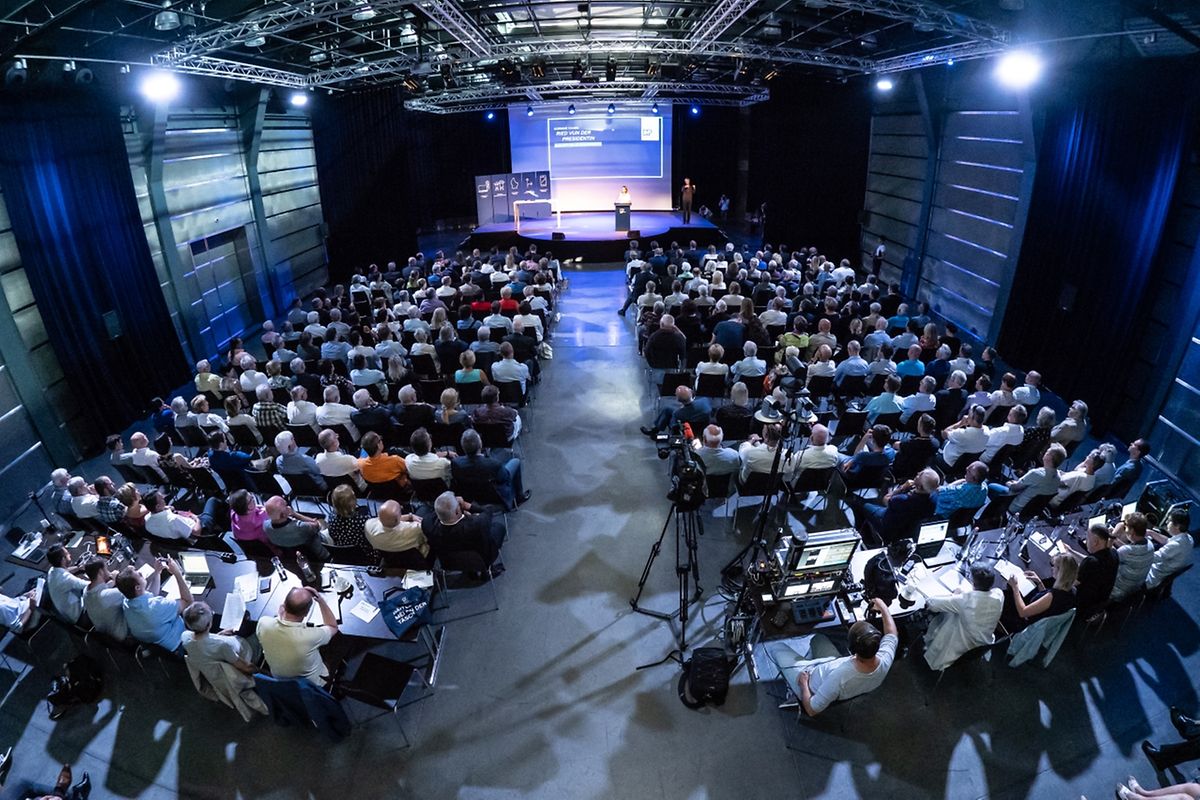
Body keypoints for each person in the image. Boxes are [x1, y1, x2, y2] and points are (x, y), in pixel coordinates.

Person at [764, 598, 897, 717]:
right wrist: (883, 606)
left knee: (776, 648)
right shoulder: (885, 658)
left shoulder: (839, 676)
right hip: (831, 667)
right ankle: (805, 662)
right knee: (818, 638)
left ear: (852, 649)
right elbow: (892, 634)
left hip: (810, 684)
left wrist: (804, 684)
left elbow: (812, 710)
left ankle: (794, 689)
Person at [922, 565, 1005, 671]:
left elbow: (932, 604)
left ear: (973, 582)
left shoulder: (966, 601)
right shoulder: (999, 595)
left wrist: (954, 595)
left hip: (960, 647)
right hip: (982, 644)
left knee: (949, 614)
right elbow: (979, 602)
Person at [257, 586, 337, 687]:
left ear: (284, 605)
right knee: (337, 644)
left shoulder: (263, 622)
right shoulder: (310, 636)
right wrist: (321, 601)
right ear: (306, 613)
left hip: (282, 681)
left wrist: (287, 606)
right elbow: (333, 626)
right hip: (313, 684)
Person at [117, 556, 192, 652]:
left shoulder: (127, 602)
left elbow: (149, 595)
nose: (141, 573)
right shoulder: (156, 606)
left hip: (159, 647)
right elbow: (188, 601)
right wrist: (177, 573)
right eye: (139, 574)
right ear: (137, 588)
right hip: (181, 645)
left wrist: (157, 572)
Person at [422, 491, 505, 574]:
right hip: (482, 559)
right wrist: (467, 505)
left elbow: (434, 514)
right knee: (498, 527)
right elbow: (488, 511)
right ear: (457, 511)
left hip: (450, 563)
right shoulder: (476, 524)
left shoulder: (427, 526)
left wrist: (445, 508)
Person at [854, 468, 940, 544]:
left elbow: (886, 499)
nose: (917, 474)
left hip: (887, 526)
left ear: (920, 486)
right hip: (908, 531)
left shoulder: (902, 500)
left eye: (919, 476)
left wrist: (903, 487)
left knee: (858, 503)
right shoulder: (934, 498)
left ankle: (864, 537)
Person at [451, 429, 530, 510]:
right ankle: (519, 497)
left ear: (463, 447)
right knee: (516, 461)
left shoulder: (455, 463)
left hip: (474, 496)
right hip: (496, 497)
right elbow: (505, 478)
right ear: (480, 444)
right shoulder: (493, 465)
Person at [1002, 552, 1078, 633]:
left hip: (1027, 624)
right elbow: (1046, 604)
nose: (1052, 569)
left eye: (1054, 566)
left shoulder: (1053, 596)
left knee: (1006, 600)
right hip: (1041, 616)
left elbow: (1023, 612)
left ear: (1061, 573)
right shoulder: (1071, 591)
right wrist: (1039, 582)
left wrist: (1015, 587)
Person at [1072, 522, 1119, 620]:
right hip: (1099, 602)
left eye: (1087, 538)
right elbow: (1089, 561)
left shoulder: (1091, 562)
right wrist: (1071, 551)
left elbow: (1072, 583)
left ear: (1096, 542)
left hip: (1083, 604)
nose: (1085, 542)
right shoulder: (1114, 554)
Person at [263, 496, 329, 562]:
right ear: (283, 515)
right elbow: (316, 524)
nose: (289, 507)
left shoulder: (265, 526)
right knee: (322, 522)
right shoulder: (300, 527)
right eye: (286, 505)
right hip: (318, 553)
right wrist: (295, 514)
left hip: (291, 557)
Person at [365, 500, 429, 566]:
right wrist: (412, 517)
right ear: (397, 519)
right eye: (400, 510)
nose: (401, 507)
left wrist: (409, 516)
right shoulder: (414, 529)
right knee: (424, 509)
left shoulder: (368, 525)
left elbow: (385, 520)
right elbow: (426, 534)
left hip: (390, 560)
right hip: (417, 559)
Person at [1109, 512, 1155, 601]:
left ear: (1132, 531)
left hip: (1115, 592)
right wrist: (1115, 539)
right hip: (1132, 591)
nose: (1125, 529)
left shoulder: (1127, 551)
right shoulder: (1150, 545)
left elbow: (1104, 558)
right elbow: (1126, 551)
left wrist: (1111, 536)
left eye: (1126, 527)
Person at [81, 556, 127, 641]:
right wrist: (117, 579)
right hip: (123, 634)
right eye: (106, 569)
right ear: (101, 572)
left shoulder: (86, 591)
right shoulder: (106, 596)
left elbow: (100, 590)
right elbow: (129, 590)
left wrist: (111, 583)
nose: (108, 571)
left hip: (104, 635)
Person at [1146, 509, 1194, 589]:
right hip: (1162, 572)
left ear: (1177, 526)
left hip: (1151, 576)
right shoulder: (1188, 538)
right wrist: (1151, 533)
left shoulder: (1176, 545)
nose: (1166, 523)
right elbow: (1168, 541)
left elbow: (1151, 558)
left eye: (1169, 521)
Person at [641, 385, 712, 438]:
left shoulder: (678, 414)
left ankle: (654, 431)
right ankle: (655, 430)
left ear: (678, 400)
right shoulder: (705, 401)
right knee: (667, 409)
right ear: (691, 392)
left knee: (668, 411)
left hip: (687, 430)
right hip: (701, 426)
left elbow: (674, 426)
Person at [327, 484, 375, 562]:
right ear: (353, 501)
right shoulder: (363, 519)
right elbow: (372, 538)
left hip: (342, 556)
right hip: (366, 556)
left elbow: (332, 535)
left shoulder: (331, 518)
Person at [46, 545, 88, 623]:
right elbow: (87, 585)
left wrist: (78, 568)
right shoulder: (65, 579)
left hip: (66, 613)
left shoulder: (52, 570)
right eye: (67, 554)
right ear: (63, 559)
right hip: (79, 616)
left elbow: (65, 570)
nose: (70, 555)